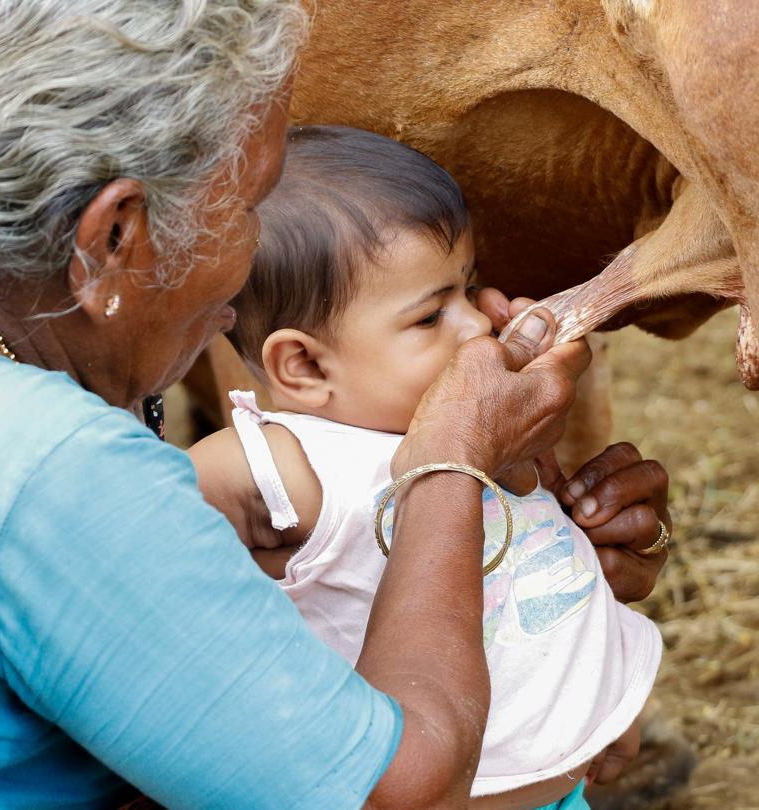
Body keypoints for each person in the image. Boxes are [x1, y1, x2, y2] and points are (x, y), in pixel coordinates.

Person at [0, 1, 669, 808]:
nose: (260, 253)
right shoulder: (51, 477)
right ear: (111, 239)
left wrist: (504, 569)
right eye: (254, 199)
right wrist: (448, 464)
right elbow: (398, 794)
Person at [189, 126, 670, 810]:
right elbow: (137, 528)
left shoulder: (490, 429)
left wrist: (605, 706)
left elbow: (540, 581)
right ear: (303, 366)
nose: (475, 326)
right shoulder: (282, 462)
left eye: (469, 291)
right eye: (428, 317)